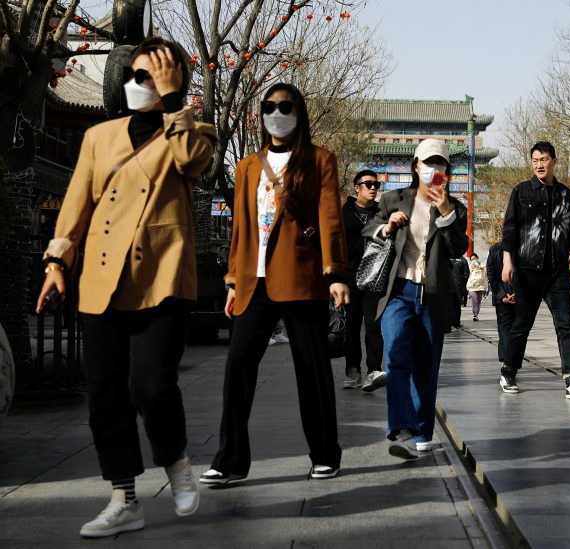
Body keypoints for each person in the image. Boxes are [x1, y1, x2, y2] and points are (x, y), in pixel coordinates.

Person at [36, 37, 217, 537]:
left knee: (152, 385)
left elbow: (192, 162)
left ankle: (177, 464)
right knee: (106, 394)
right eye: (137, 76)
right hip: (99, 277)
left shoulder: (193, 130)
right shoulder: (99, 136)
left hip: (161, 277)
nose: (144, 85)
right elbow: (76, 202)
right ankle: (124, 498)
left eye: (154, 76)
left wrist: (176, 101)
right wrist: (56, 261)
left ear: (174, 81)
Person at [201, 82, 349, 485]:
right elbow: (241, 228)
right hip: (254, 281)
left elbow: (330, 219)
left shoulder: (320, 160)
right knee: (238, 368)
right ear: (261, 114)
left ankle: (325, 454)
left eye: (285, 106)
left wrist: (335, 274)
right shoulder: (248, 166)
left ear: (298, 113)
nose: (277, 113)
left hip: (301, 279)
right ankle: (229, 459)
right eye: (269, 106)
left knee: (312, 370)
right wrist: (232, 279)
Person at [363, 138, 468, 459]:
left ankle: (423, 432)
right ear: (415, 166)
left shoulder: (455, 208)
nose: (433, 169)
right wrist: (388, 226)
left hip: (433, 295)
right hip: (399, 292)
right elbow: (370, 229)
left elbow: (458, 248)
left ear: (447, 171)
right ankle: (401, 429)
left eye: (440, 164)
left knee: (426, 367)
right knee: (396, 356)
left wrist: (445, 209)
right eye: (428, 163)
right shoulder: (394, 199)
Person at [500, 141, 570, 398]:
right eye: (535, 160)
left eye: (543, 159)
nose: (539, 164)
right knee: (522, 324)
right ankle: (508, 370)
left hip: (557, 272)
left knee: (566, 325)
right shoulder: (521, 192)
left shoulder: (566, 195)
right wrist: (507, 261)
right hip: (527, 270)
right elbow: (509, 229)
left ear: (554, 160)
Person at [341, 169, 386, 391]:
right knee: (351, 325)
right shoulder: (344, 213)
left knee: (373, 326)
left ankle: (373, 371)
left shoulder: (382, 212)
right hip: (349, 276)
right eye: (367, 184)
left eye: (376, 184)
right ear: (356, 187)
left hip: (375, 277)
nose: (373, 188)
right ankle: (352, 371)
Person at [487, 240, 516, 363]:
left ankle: (505, 357)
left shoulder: (494, 249)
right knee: (517, 328)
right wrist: (517, 293)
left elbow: (491, 274)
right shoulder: (520, 246)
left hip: (501, 295)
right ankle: (513, 358)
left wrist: (501, 294)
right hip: (517, 295)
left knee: (504, 326)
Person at [466, 253, 488, 321]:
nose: (473, 260)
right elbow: (468, 271)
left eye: (474, 259)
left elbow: (485, 270)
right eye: (472, 259)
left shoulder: (482, 265)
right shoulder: (470, 265)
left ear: (477, 258)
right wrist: (472, 266)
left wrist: (479, 266)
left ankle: (477, 313)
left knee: (478, 301)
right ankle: (475, 314)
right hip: (472, 286)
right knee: (474, 300)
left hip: (480, 286)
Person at [450, 255, 469, 327]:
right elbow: (466, 274)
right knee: (457, 305)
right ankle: (456, 323)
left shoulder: (446, 257)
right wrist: (464, 285)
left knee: (448, 305)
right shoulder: (463, 260)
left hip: (447, 286)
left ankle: (449, 322)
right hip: (459, 286)